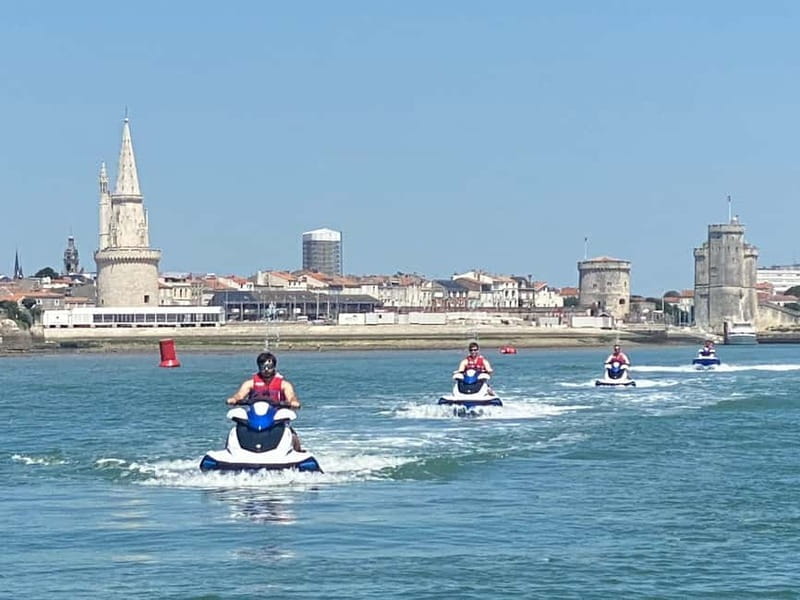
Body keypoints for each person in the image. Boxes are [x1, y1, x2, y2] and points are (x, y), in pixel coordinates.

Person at [226, 352, 303, 451]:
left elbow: (291, 397)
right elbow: (240, 395)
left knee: (292, 434)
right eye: (263, 367)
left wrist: (293, 402)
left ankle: (297, 452)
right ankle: (231, 450)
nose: (266, 370)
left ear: (274, 367)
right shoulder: (250, 383)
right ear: (259, 366)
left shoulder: (284, 385)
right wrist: (234, 399)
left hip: (277, 419)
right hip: (255, 418)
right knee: (236, 429)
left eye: (269, 367)